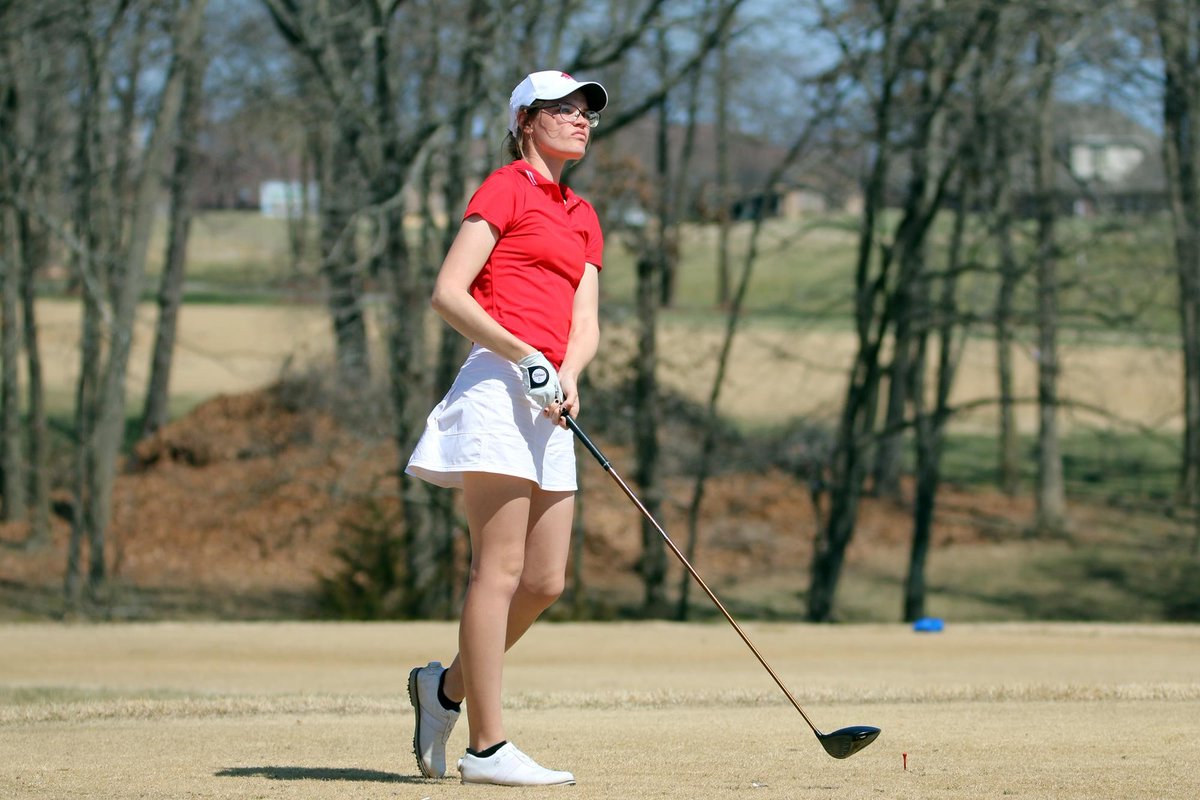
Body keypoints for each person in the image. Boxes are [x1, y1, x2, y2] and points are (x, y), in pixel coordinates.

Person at [404, 70, 609, 787]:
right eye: (564, 109)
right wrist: (525, 357)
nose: (580, 120)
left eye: (586, 112)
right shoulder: (505, 188)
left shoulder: (582, 213)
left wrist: (569, 372)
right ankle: (486, 748)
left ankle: (443, 691)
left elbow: (585, 319)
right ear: (526, 120)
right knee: (498, 570)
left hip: (551, 398)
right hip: (498, 384)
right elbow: (448, 293)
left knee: (545, 580)